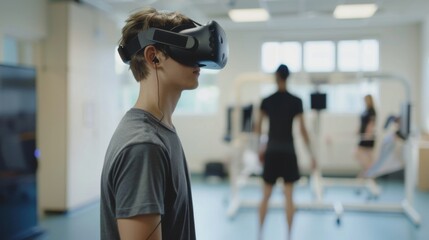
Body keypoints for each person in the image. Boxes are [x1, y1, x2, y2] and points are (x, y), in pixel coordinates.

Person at [100, 8, 214, 240]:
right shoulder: (144, 146)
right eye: (187, 47)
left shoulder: (161, 130)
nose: (198, 60)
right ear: (154, 57)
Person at [254, 64, 317, 240]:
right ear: (288, 77)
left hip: (272, 152)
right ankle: (288, 236)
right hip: (289, 152)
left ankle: (260, 235)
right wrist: (312, 155)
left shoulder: (267, 100)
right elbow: (303, 131)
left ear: (276, 77)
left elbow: (258, 127)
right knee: (289, 197)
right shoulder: (296, 101)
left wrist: (260, 147)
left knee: (265, 196)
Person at [355, 94, 377, 178]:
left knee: (357, 153)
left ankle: (367, 173)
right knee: (368, 158)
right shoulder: (365, 110)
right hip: (363, 135)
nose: (364, 102)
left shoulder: (372, 111)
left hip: (367, 137)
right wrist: (357, 130)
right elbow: (362, 123)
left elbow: (371, 124)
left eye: (366, 100)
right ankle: (366, 175)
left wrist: (368, 134)